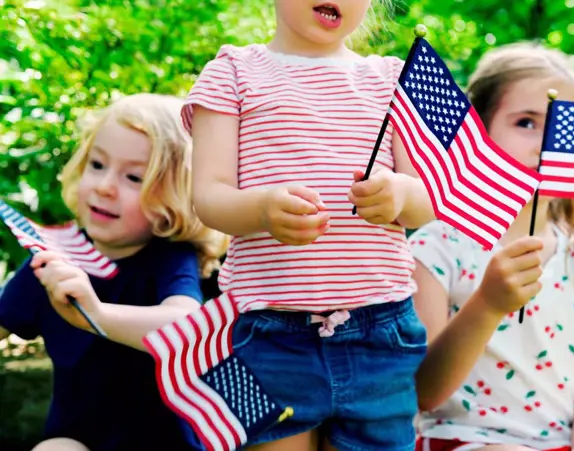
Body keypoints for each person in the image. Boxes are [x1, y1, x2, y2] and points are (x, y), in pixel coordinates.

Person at [181, 1, 440, 450]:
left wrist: (399, 193)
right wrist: (261, 209)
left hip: (380, 331)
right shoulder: (234, 73)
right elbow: (210, 196)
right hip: (270, 332)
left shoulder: (394, 79)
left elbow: (429, 198)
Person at [410, 42, 574, 451]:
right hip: (467, 441)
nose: (548, 142)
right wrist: (487, 304)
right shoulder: (438, 247)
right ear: (478, 131)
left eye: (566, 126)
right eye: (526, 122)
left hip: (567, 443)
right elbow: (423, 390)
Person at [0, 93, 228, 451]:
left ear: (177, 197)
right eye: (97, 165)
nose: (105, 186)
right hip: (78, 439)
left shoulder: (167, 259)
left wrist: (97, 315)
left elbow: (186, 326)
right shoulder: (52, 260)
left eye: (134, 177)